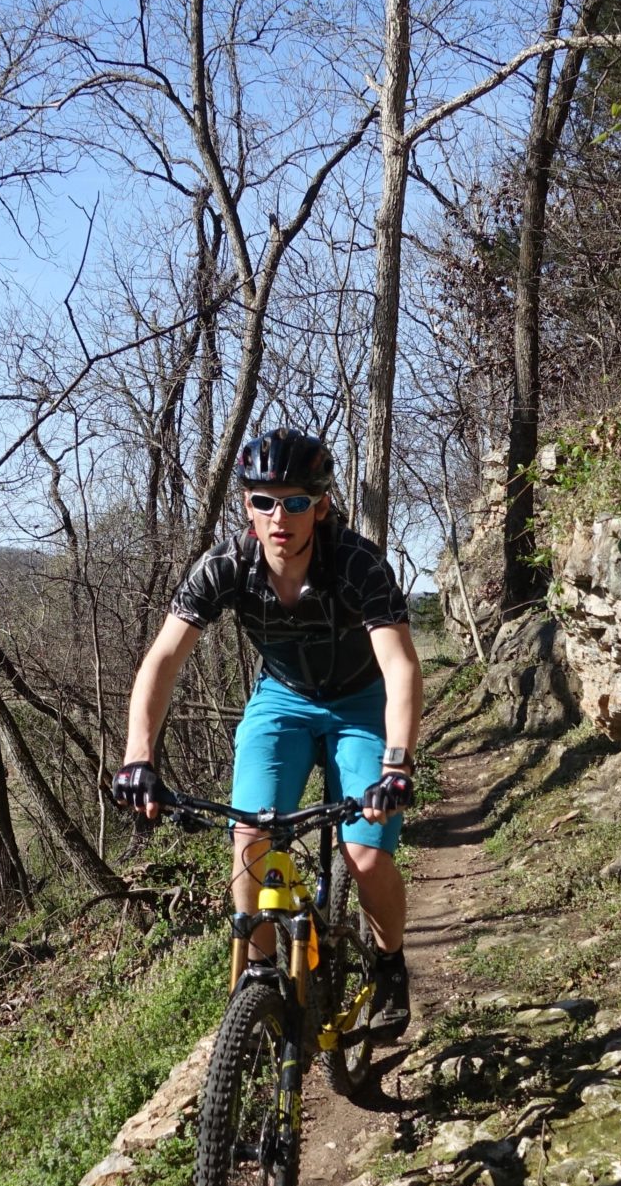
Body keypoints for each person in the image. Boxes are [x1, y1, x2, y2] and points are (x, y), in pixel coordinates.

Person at [110, 430, 423, 1039]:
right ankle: (257, 977)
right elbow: (163, 660)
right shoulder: (226, 565)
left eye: (296, 503)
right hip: (281, 699)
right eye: (264, 501)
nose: (280, 517)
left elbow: (400, 665)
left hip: (362, 702)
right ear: (246, 506)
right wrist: (138, 757)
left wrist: (397, 764)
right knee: (251, 832)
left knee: (364, 852)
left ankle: (388, 962)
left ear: (322, 506)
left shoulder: (358, 564)